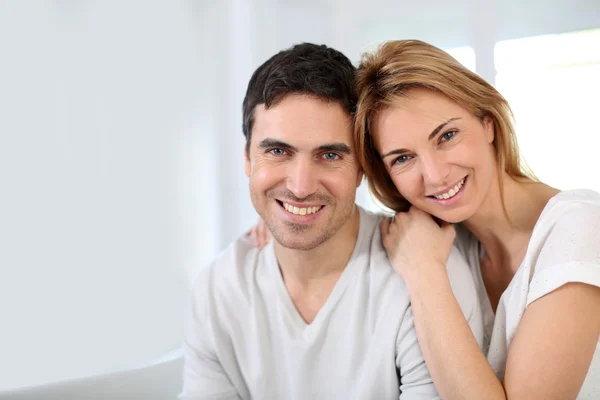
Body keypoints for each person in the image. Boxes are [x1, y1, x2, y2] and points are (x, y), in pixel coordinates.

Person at [179, 42, 484, 400]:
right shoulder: (218, 290)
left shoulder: (427, 275)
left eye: (329, 155)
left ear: (361, 170)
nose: (300, 186)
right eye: (277, 151)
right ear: (247, 158)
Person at [353, 40, 600, 399]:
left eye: (447, 136)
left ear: (488, 123)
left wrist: (425, 274)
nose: (435, 176)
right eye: (403, 159)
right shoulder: (443, 239)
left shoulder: (581, 227)